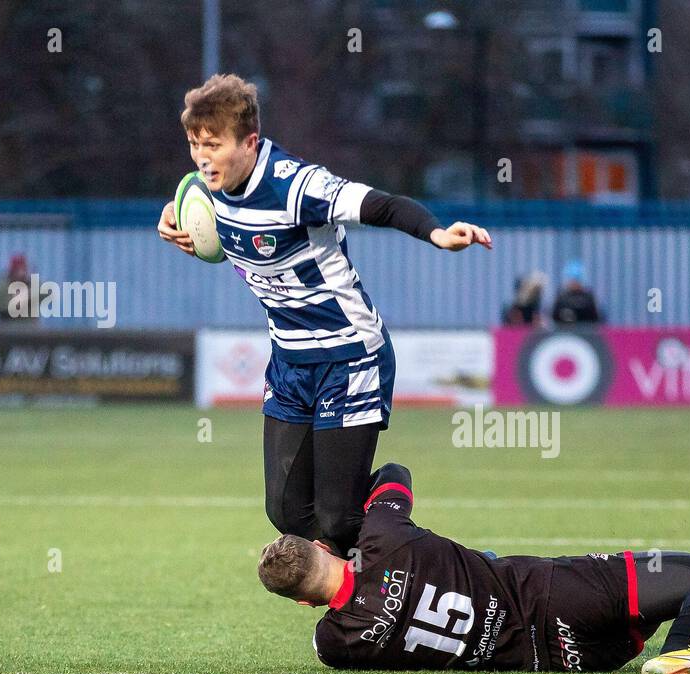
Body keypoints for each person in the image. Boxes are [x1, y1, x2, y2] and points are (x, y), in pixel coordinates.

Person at [156, 74, 492, 558]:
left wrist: (438, 234)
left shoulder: (299, 186)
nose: (202, 157)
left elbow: (384, 206)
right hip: (290, 363)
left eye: (213, 144)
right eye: (194, 145)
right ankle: (375, 544)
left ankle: (424, 540)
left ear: (249, 142)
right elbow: (189, 205)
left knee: (337, 519)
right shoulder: (206, 187)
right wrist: (169, 218)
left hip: (350, 357)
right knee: (287, 513)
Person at [257, 462, 690, 674]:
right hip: (560, 593)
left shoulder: (335, 645)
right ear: (328, 548)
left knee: (686, 595)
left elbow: (343, 613)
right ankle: (685, 648)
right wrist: (343, 523)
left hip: (564, 659)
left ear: (302, 605)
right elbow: (393, 473)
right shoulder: (386, 538)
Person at [0, 254, 48, 322]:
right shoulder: (4, 287)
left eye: (23, 269)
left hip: (30, 329)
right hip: (8, 328)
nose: (21, 273)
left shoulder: (32, 285)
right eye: (18, 270)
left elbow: (46, 292)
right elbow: (0, 305)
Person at [551, 260, 601, 324]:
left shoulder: (588, 297)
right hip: (564, 332)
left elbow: (595, 318)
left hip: (585, 332)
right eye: (572, 280)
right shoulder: (561, 297)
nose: (574, 282)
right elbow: (554, 317)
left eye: (577, 280)